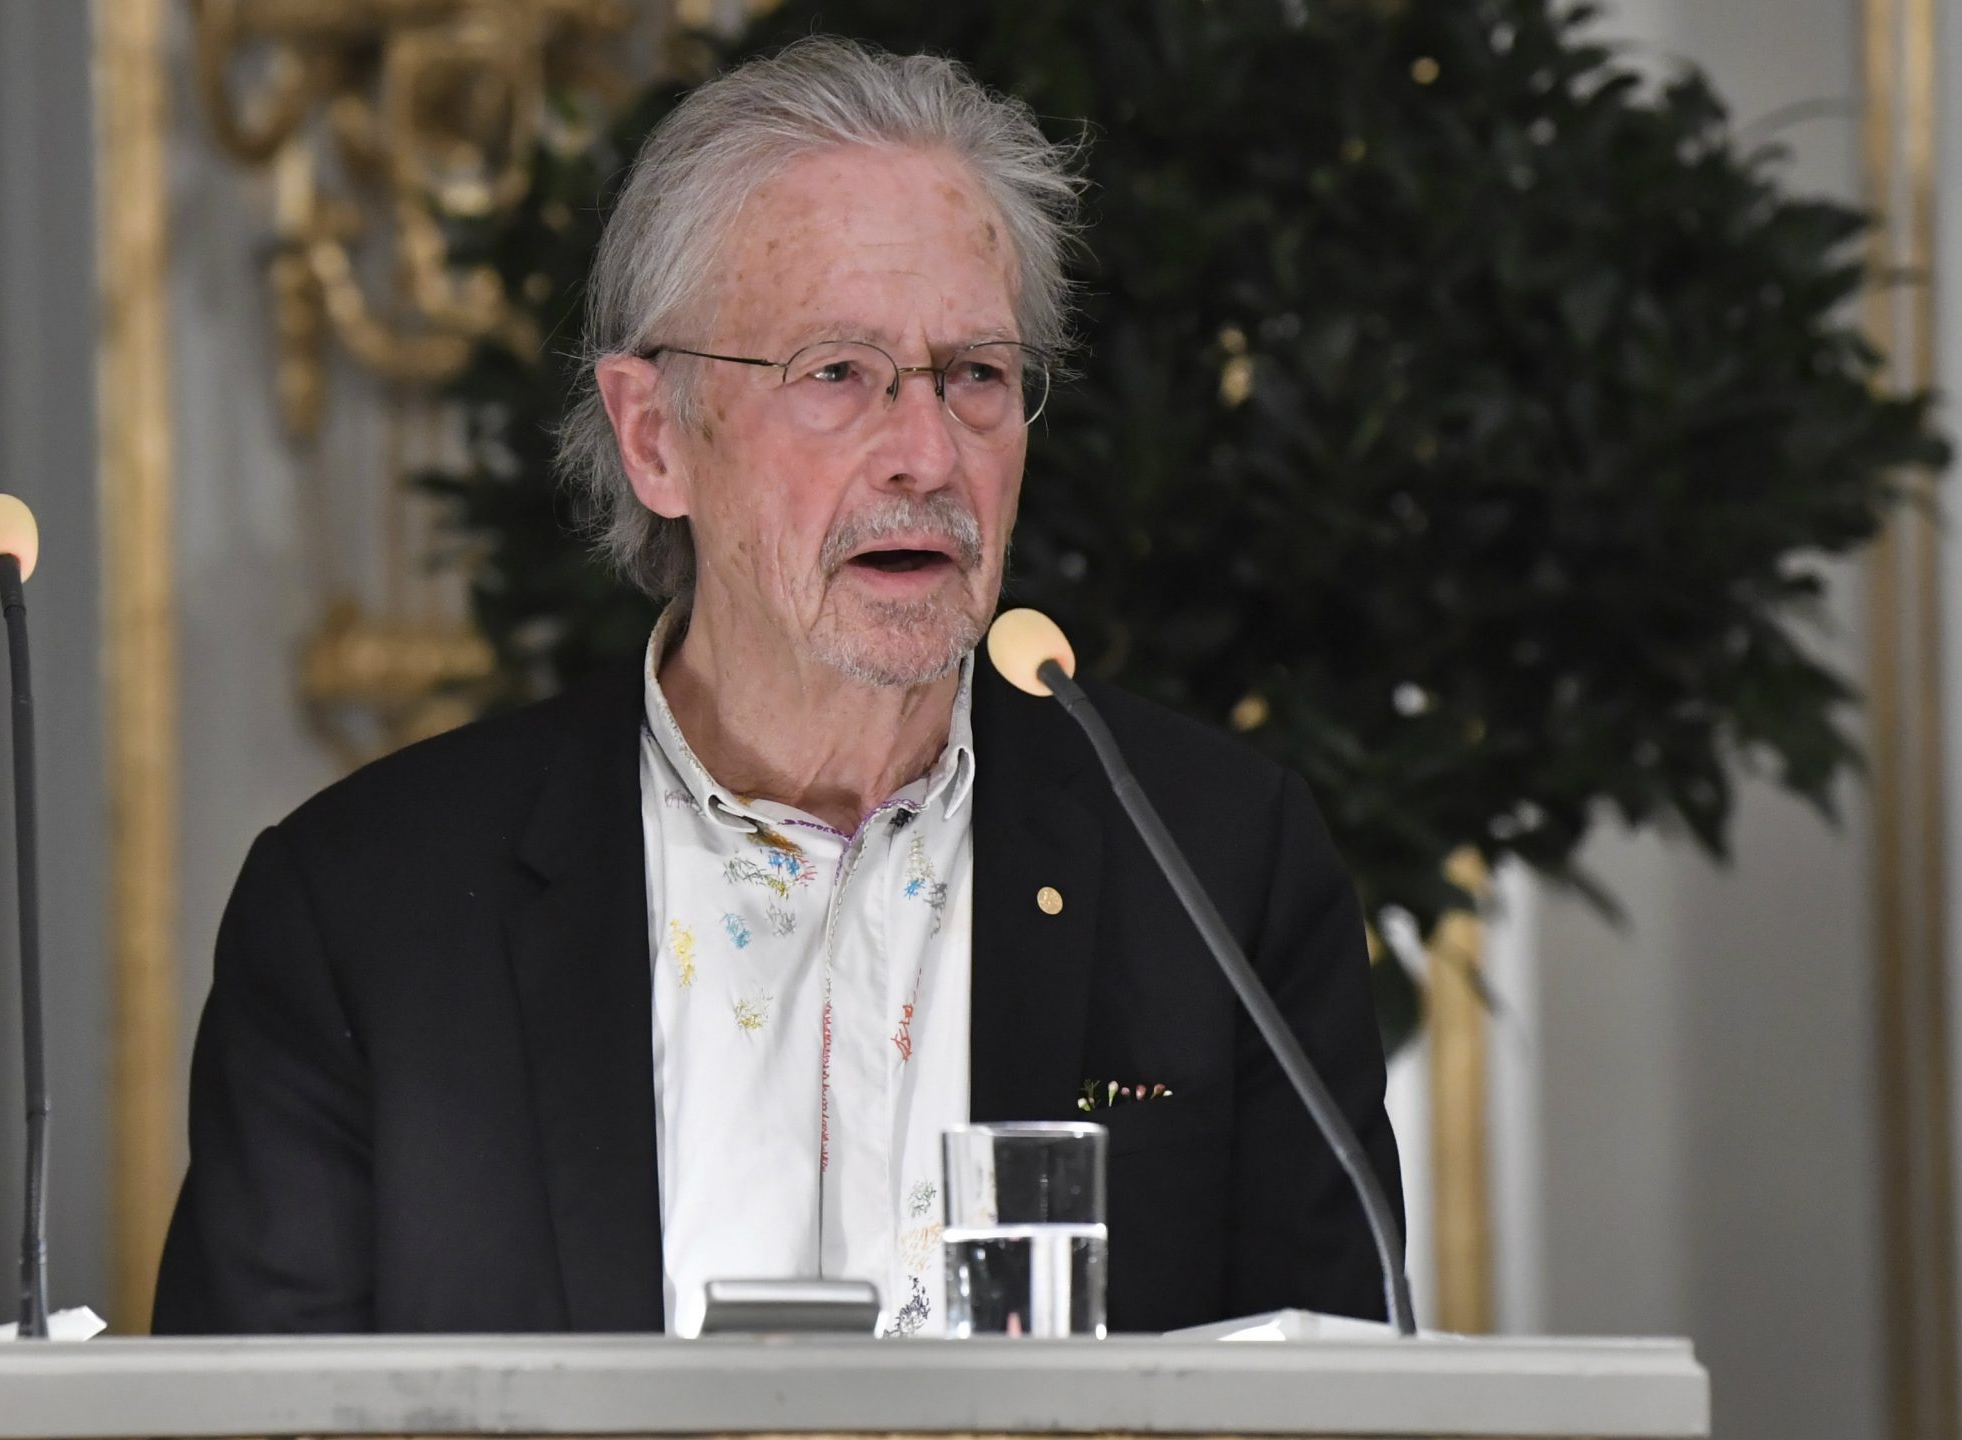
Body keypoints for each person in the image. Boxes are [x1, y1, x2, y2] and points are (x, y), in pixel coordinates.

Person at [153, 35, 1399, 1339]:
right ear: (654, 438)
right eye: (836, 374)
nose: (926, 454)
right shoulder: (368, 912)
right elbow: (246, 1411)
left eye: (975, 374)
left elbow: (1337, 1383)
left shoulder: (1219, 872)